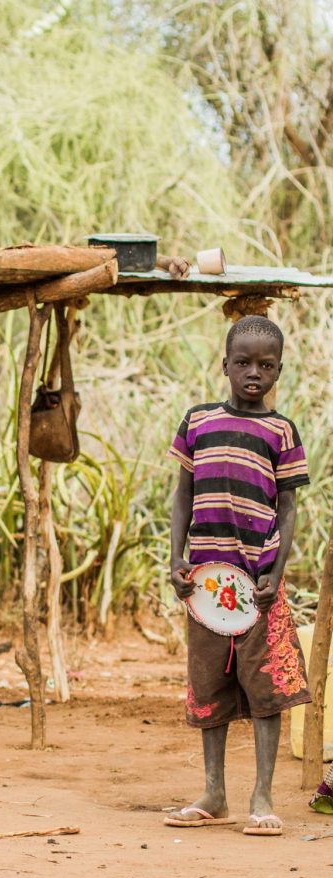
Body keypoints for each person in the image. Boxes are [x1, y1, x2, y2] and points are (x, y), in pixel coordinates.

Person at [166, 315, 311, 836]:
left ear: (279, 370)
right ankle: (213, 792)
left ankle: (263, 797)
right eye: (243, 363)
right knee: (208, 684)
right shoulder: (198, 422)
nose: (254, 373)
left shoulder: (281, 430)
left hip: (259, 584)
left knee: (266, 687)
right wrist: (176, 558)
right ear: (224, 364)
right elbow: (182, 495)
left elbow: (289, 507)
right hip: (205, 582)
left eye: (266, 365)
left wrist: (277, 568)